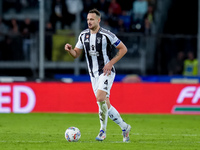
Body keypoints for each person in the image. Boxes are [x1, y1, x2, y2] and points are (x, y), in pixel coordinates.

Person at [64, 9, 131, 142]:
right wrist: (70, 50)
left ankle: (102, 131)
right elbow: (76, 54)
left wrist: (110, 63)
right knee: (105, 104)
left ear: (98, 20)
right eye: (88, 19)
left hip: (106, 72)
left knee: (100, 98)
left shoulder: (107, 35)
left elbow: (123, 49)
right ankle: (125, 127)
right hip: (93, 75)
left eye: (92, 19)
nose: (89, 22)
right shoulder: (83, 35)